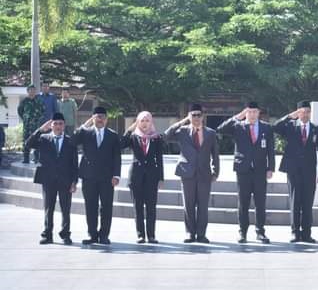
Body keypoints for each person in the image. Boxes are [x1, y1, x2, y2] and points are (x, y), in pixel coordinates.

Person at [218, 101, 275, 244]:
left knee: (260, 202)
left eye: (255, 112)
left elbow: (270, 149)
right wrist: (238, 116)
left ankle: (260, 231)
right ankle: (242, 232)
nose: (253, 115)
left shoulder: (266, 128)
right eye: (250, 112)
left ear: (259, 112)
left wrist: (271, 168)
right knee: (243, 202)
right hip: (243, 169)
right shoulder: (238, 126)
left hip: (260, 170)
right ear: (246, 112)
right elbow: (220, 129)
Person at [165, 104, 220, 243]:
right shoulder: (182, 131)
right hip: (187, 173)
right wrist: (183, 121)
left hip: (204, 174)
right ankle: (190, 233)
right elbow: (166, 135)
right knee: (188, 205)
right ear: (189, 116)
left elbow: (215, 154)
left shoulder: (210, 133)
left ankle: (201, 234)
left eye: (198, 115)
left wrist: (215, 172)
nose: (196, 118)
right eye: (193, 115)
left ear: (203, 116)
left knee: (203, 206)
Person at [273, 101, 318, 243]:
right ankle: (295, 232)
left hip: (309, 171)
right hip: (293, 170)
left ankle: (307, 233)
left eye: (308, 112)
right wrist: (290, 116)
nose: (305, 114)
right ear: (298, 113)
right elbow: (276, 127)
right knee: (295, 201)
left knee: (308, 202)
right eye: (302, 112)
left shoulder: (317, 129)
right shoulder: (290, 127)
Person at [26, 113, 78, 245]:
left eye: (61, 124)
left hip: (65, 180)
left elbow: (74, 163)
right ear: (51, 125)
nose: (58, 126)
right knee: (48, 208)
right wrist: (40, 130)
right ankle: (47, 234)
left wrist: (74, 181)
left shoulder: (70, 141)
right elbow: (28, 144)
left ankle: (65, 234)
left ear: (64, 125)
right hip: (48, 179)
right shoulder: (44, 139)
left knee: (66, 209)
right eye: (55, 124)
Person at [74, 107, 122, 245]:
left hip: (107, 178)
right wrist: (85, 125)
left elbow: (116, 157)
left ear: (106, 119)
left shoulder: (112, 135)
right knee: (90, 206)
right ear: (93, 118)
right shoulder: (85, 133)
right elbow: (73, 140)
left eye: (102, 117)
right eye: (97, 117)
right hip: (89, 176)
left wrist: (116, 175)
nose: (100, 119)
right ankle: (92, 235)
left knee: (106, 207)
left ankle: (104, 235)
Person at [121, 111, 164, 244]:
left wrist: (161, 177)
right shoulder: (133, 137)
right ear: (138, 123)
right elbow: (121, 144)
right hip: (136, 176)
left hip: (152, 176)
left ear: (151, 122)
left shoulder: (157, 138)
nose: (145, 124)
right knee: (138, 207)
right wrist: (130, 129)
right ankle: (141, 235)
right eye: (142, 121)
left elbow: (159, 158)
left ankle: (151, 235)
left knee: (151, 207)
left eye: (147, 121)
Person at [18, 85, 45, 164]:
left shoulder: (39, 101)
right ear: (28, 91)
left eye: (33, 90)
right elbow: (20, 111)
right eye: (30, 90)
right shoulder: (24, 101)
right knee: (25, 141)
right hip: (27, 126)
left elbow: (43, 111)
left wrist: (38, 120)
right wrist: (25, 118)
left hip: (36, 126)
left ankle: (36, 158)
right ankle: (26, 159)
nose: (32, 91)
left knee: (37, 141)